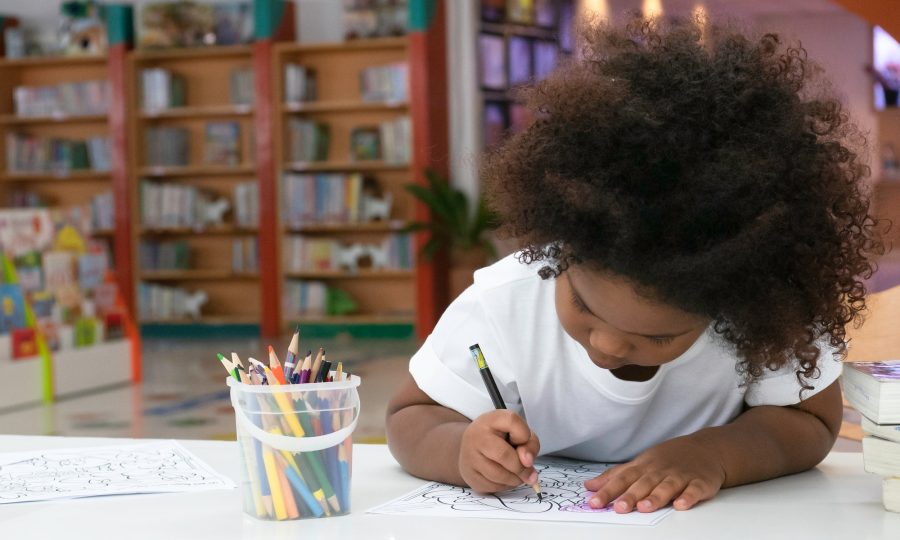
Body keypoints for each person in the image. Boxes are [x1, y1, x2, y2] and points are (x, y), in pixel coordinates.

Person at [386, 16, 883, 514]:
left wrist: (712, 455)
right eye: (583, 305)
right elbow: (413, 415)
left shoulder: (768, 312)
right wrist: (460, 449)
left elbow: (811, 423)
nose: (607, 346)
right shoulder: (503, 302)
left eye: (656, 338)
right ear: (564, 249)